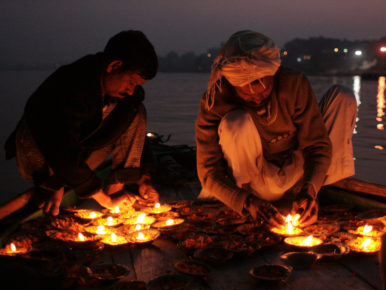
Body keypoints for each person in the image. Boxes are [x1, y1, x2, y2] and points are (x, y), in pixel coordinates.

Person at [196, 30, 357, 227]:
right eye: (246, 92)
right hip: (255, 185)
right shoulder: (214, 101)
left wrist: (309, 190)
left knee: (343, 96)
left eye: (265, 89)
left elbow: (317, 145)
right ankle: (252, 204)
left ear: (274, 74)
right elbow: (208, 172)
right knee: (236, 122)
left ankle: (308, 195)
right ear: (232, 83)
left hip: (298, 174)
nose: (257, 97)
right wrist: (245, 201)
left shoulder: (294, 83)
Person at [4, 30, 159, 216]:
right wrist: (103, 200)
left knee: (136, 110)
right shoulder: (71, 87)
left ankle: (115, 189)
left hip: (75, 153)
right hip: (40, 159)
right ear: (114, 66)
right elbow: (60, 147)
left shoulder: (114, 92)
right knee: (62, 161)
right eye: (131, 82)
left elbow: (132, 130)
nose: (131, 90)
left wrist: (144, 177)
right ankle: (60, 182)